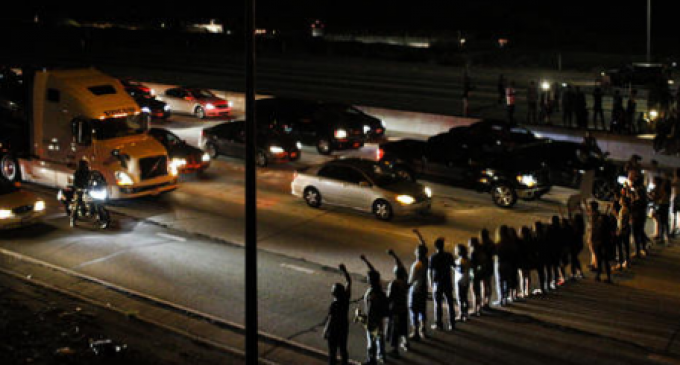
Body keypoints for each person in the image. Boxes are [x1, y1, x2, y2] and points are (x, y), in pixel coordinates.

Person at [360, 255, 388, 365]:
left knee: (371, 341)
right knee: (379, 338)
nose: (366, 278)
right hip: (379, 320)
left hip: (372, 321)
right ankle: (382, 356)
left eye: (368, 278)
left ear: (371, 280)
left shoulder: (372, 295)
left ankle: (371, 360)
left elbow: (371, 311)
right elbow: (373, 271)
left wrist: (366, 321)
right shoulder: (378, 288)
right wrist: (366, 261)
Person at [323, 264, 352, 365]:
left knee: (333, 352)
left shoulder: (334, 304)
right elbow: (349, 281)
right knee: (343, 348)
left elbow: (331, 319)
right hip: (344, 327)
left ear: (335, 293)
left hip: (334, 330)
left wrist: (326, 330)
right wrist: (344, 271)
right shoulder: (346, 298)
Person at [429, 237, 456, 331]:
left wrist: (431, 282)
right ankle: (452, 323)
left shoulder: (433, 257)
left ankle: (439, 323)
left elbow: (430, 271)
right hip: (447, 281)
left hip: (438, 283)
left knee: (438, 304)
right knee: (450, 303)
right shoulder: (448, 255)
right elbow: (454, 266)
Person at [385, 250, 409, 357]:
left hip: (395, 309)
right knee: (403, 327)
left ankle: (395, 350)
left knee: (395, 330)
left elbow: (389, 298)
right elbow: (401, 266)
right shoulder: (405, 281)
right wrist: (394, 256)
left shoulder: (393, 284)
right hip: (403, 307)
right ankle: (406, 342)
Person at [408, 229, 429, 340]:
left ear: (417, 253)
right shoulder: (426, 261)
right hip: (424, 289)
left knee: (413, 309)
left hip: (416, 290)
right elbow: (423, 245)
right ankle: (423, 329)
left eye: (416, 251)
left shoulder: (416, 266)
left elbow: (411, 281)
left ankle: (415, 331)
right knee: (422, 310)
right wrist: (418, 235)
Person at [454, 244, 472, 322]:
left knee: (460, 298)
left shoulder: (460, 260)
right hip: (466, 280)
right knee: (465, 297)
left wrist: (453, 266)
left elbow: (460, 270)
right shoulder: (468, 259)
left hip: (459, 280)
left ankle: (461, 314)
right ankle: (466, 314)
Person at [468, 237, 486, 316]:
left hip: (473, 273)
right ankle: (479, 308)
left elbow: (471, 264)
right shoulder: (480, 251)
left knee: (474, 292)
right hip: (479, 272)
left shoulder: (473, 253)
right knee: (478, 291)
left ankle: (475, 309)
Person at [70, 160, 91, 227]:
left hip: (87, 189)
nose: (86, 166)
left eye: (86, 164)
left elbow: (93, 178)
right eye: (85, 165)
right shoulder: (77, 173)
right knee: (77, 203)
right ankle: (72, 220)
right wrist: (79, 188)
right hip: (80, 190)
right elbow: (75, 183)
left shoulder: (88, 172)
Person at [479, 229, 495, 310]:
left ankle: (483, 302)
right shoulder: (491, 243)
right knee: (488, 284)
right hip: (490, 265)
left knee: (483, 285)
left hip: (483, 266)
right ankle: (487, 302)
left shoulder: (481, 245)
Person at [615, 196, 632, 270]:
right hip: (626, 230)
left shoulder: (623, 210)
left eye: (621, 199)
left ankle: (620, 263)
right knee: (626, 246)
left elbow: (621, 222)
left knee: (619, 247)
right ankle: (627, 261)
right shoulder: (626, 209)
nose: (619, 200)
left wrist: (619, 231)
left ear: (624, 202)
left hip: (622, 231)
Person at [671, 168, 680, 236]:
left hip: (677, 197)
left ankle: (673, 229)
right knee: (677, 215)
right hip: (676, 197)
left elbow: (672, 185)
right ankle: (676, 229)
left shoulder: (676, 180)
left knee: (674, 215)